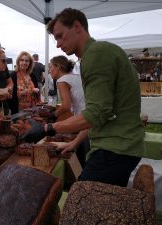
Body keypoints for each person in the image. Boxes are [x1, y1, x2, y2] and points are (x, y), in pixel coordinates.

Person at [23, 8, 144, 187]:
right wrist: (75, 142)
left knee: (79, 206)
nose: (57, 45)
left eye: (60, 36)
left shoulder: (97, 53)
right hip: (119, 147)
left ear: (77, 26)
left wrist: (48, 127)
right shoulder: (97, 53)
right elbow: (100, 112)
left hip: (115, 149)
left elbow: (96, 114)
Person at [49, 55, 89, 167]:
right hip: (89, 117)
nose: (49, 70)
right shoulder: (75, 76)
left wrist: (53, 116)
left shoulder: (62, 80)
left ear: (58, 67)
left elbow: (66, 105)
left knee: (84, 155)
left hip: (85, 119)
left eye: (51, 66)